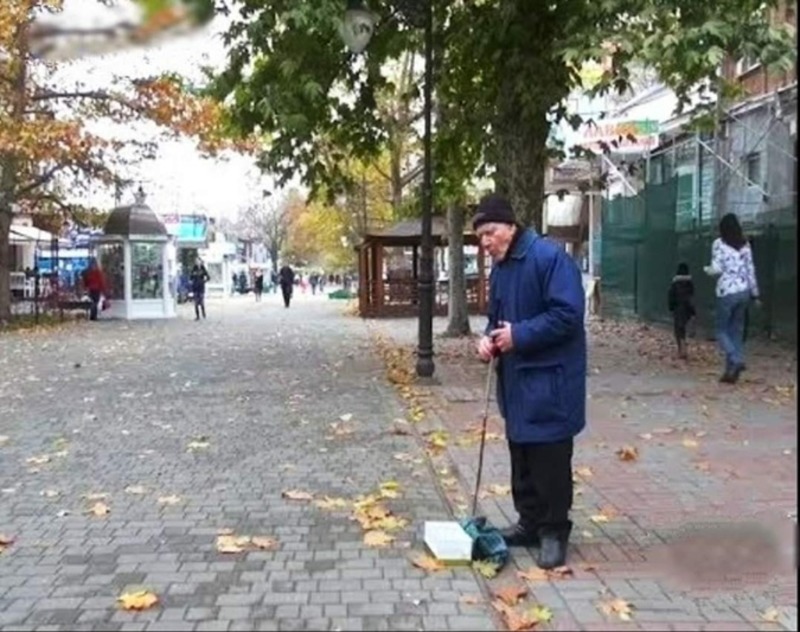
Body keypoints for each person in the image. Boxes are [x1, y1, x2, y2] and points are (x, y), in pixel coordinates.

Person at [473, 193, 586, 570]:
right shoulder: (502, 268)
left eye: (489, 232)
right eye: (480, 237)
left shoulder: (549, 258)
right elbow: (497, 318)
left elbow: (568, 315)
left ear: (510, 226)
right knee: (521, 455)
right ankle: (529, 522)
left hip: (550, 382)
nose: (485, 242)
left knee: (550, 460)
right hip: (517, 382)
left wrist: (519, 336)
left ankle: (554, 531)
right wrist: (489, 340)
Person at [704, 213, 760, 383]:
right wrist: (755, 293)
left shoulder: (719, 244)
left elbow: (717, 268)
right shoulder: (745, 245)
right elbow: (751, 270)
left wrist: (708, 270)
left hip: (726, 291)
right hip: (743, 292)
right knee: (736, 331)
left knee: (721, 330)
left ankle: (735, 359)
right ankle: (730, 373)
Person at [667, 262, 696, 360]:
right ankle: (683, 346)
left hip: (678, 308)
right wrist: (693, 311)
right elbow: (692, 297)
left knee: (678, 329)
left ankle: (681, 347)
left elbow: (671, 296)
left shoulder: (674, 283)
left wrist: (671, 307)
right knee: (683, 327)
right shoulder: (690, 283)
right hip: (688, 308)